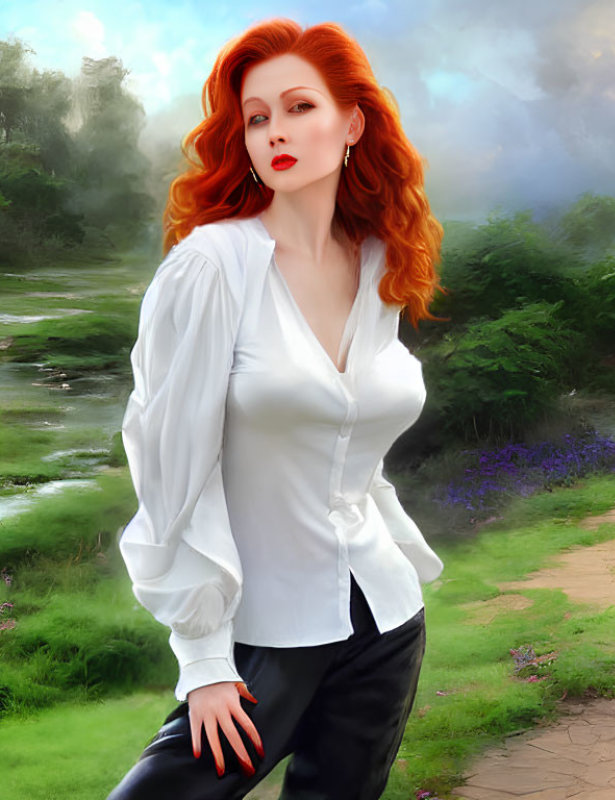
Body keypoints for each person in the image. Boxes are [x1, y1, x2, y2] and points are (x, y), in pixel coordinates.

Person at [108, 17, 444, 800]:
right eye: (256, 118)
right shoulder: (211, 267)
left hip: (386, 619)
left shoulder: (376, 262)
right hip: (263, 632)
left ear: (353, 122)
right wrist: (202, 660)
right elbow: (168, 463)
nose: (274, 132)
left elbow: (347, 442)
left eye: (298, 108)